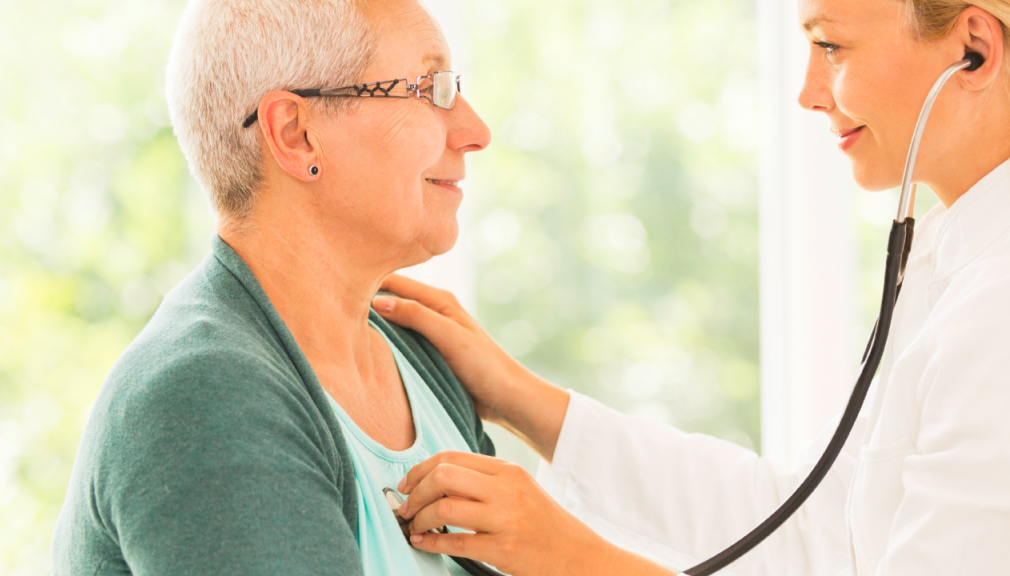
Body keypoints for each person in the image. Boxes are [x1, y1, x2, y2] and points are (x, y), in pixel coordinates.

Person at [370, 0, 1010, 574]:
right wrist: (520, 399)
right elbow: (808, 526)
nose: (808, 93)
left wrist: (571, 558)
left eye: (831, 46)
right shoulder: (952, 257)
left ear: (974, 50)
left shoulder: (995, 310)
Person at [51, 0, 494, 574]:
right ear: (296, 134)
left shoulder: (421, 356)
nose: (475, 131)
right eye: (431, 88)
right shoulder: (205, 397)